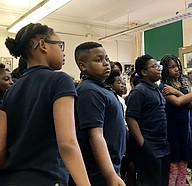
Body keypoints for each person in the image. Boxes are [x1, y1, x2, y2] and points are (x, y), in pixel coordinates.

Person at [0, 23, 90, 185]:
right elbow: (67, 143)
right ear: (43, 45)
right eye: (59, 45)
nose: (63, 52)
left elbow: (1, 148)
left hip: (11, 179)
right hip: (46, 177)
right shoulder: (60, 80)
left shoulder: (10, 92)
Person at [72, 41, 126, 186]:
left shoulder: (101, 88)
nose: (106, 63)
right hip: (96, 172)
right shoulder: (90, 91)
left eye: (106, 58)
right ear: (83, 66)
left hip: (109, 165)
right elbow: (95, 135)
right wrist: (110, 175)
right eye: (98, 60)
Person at [126, 54, 170, 186]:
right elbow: (131, 118)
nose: (159, 69)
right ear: (144, 72)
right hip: (149, 145)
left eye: (159, 66)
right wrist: (143, 144)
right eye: (154, 66)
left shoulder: (157, 89)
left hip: (163, 144)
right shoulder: (139, 91)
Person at [159, 54, 192, 186]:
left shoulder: (183, 84)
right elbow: (178, 102)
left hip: (185, 131)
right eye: (172, 67)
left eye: (178, 66)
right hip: (172, 130)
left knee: (183, 165)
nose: (176, 69)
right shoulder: (164, 86)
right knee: (173, 167)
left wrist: (181, 92)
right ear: (165, 69)